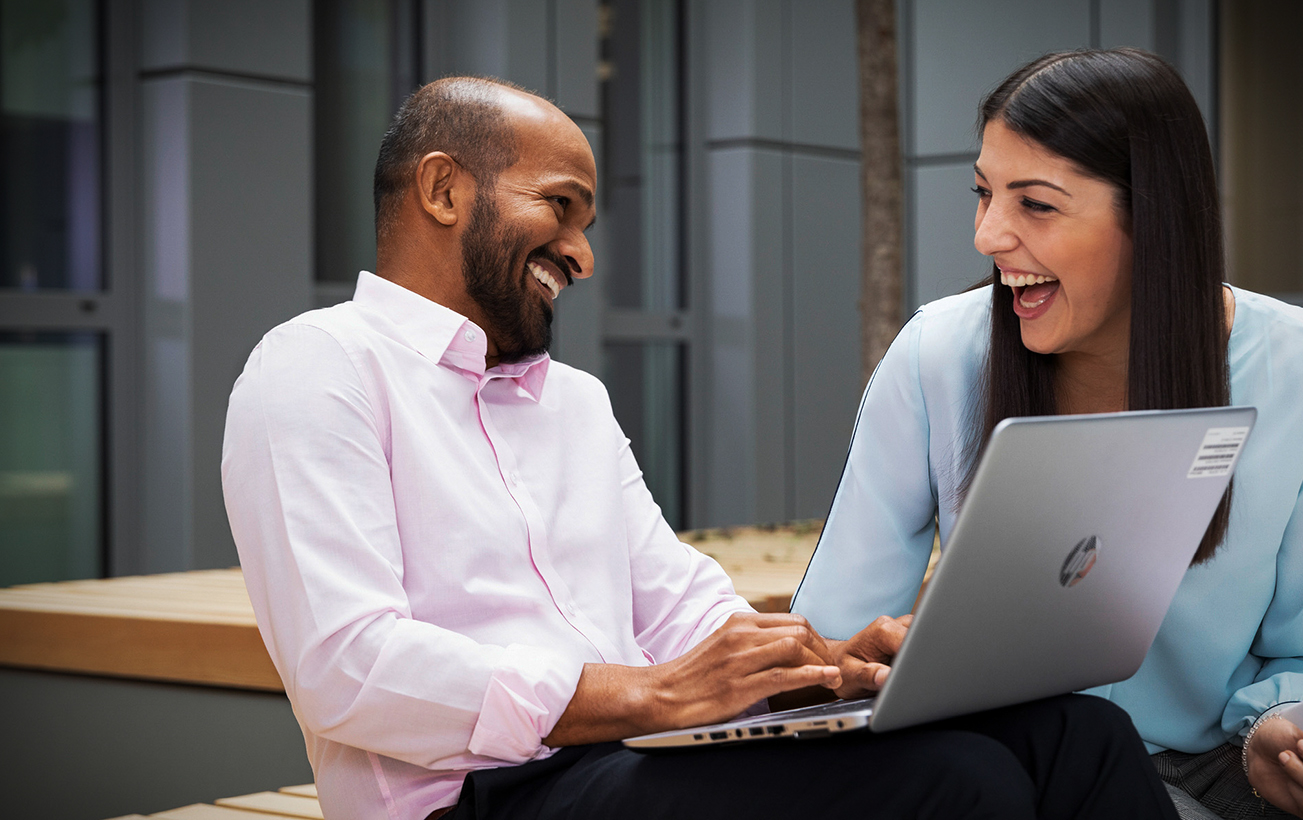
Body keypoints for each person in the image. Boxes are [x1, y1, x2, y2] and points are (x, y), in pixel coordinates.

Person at [221, 77, 1177, 820]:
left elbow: (679, 604)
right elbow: (347, 668)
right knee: (957, 783)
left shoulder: (575, 404)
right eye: (560, 207)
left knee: (1079, 735)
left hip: (631, 761)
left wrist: (816, 666)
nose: (582, 255)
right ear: (441, 189)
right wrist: (643, 697)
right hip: (476, 798)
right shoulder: (318, 368)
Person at [791, 48, 1303, 820]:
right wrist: (868, 663)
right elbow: (833, 635)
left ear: (1152, 219)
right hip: (1028, 763)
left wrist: (1283, 734)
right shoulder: (938, 354)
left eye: (1035, 204)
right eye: (984, 194)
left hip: (1229, 755)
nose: (988, 236)